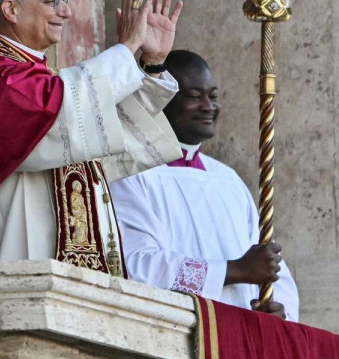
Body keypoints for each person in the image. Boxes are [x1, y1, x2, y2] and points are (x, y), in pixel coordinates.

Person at [0, 0, 184, 277]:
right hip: (17, 262)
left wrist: (152, 64)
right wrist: (125, 48)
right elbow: (60, 111)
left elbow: (101, 134)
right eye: (53, 1)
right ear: (11, 9)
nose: (66, 11)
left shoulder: (38, 78)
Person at [108, 50, 300, 320]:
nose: (208, 106)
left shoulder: (227, 180)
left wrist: (279, 309)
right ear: (162, 100)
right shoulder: (131, 175)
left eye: (213, 96)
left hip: (242, 334)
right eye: (194, 96)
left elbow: (269, 265)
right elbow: (138, 266)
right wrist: (234, 270)